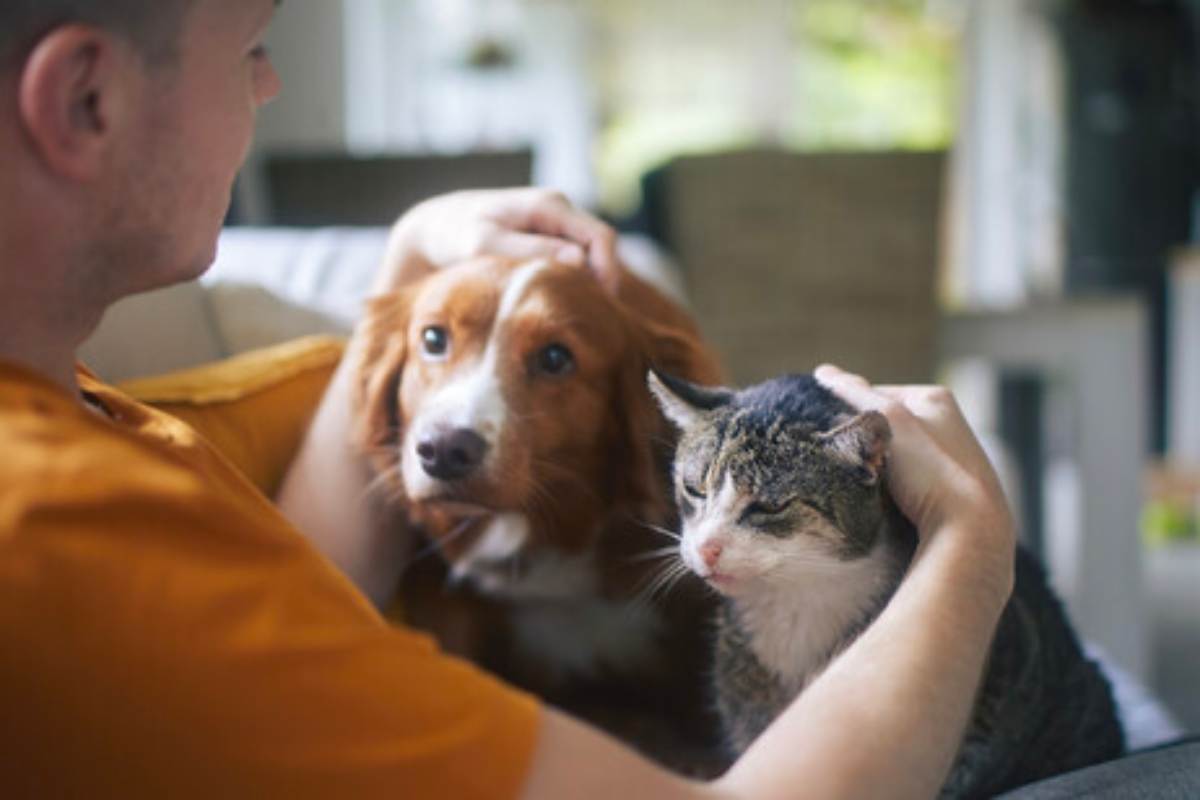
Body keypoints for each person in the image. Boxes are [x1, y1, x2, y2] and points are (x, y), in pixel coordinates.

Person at [0, 1, 1018, 797]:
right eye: (248, 47)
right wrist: (971, 542)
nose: (267, 82)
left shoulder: (64, 408)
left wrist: (412, 269)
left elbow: (296, 607)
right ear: (88, 97)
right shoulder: (55, 531)